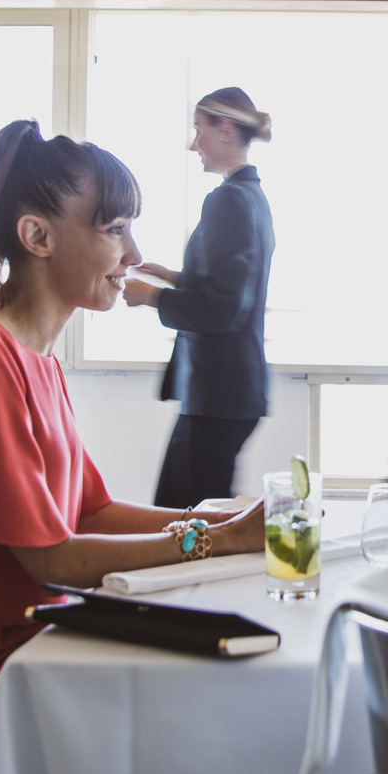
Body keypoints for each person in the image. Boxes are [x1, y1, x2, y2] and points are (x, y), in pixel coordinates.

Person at [0, 120, 264, 774]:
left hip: (9, 646)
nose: (134, 254)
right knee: (193, 721)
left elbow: (88, 512)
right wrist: (217, 542)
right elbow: (51, 557)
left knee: (201, 691)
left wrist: (227, 525)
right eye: (115, 229)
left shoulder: (29, 357)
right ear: (37, 235)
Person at [124, 88, 276, 508]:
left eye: (199, 130)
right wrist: (173, 277)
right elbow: (233, 285)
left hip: (220, 393)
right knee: (179, 511)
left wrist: (152, 296)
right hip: (223, 394)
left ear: (225, 128)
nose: (194, 144)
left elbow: (225, 307)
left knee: (191, 522)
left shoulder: (228, 199)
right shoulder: (250, 197)